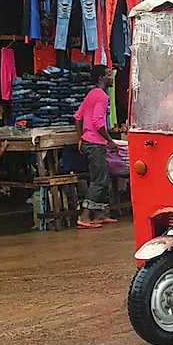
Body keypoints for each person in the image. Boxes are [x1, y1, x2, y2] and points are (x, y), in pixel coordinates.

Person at [74, 65, 118, 230]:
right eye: (108, 75)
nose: (111, 77)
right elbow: (98, 122)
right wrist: (110, 141)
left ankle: (98, 214)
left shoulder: (92, 94)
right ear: (101, 78)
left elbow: (78, 117)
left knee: (101, 177)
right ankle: (84, 216)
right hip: (95, 144)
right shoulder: (101, 96)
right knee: (99, 180)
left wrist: (80, 139)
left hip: (88, 143)